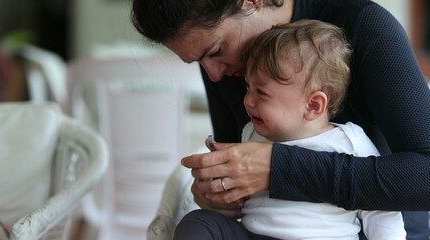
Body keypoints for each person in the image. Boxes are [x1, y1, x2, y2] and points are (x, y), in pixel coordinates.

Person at [131, 0, 430, 239]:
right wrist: (220, 191)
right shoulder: (227, 65)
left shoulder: (363, 26)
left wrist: (280, 169)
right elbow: (238, 163)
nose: (214, 75)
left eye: (215, 50)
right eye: (198, 62)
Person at [174, 19, 406, 240]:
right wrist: (223, 194)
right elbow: (241, 201)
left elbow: (380, 210)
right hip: (253, 235)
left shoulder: (349, 142)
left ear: (313, 105)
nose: (248, 101)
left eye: (261, 93)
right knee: (199, 222)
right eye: (248, 87)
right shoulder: (250, 134)